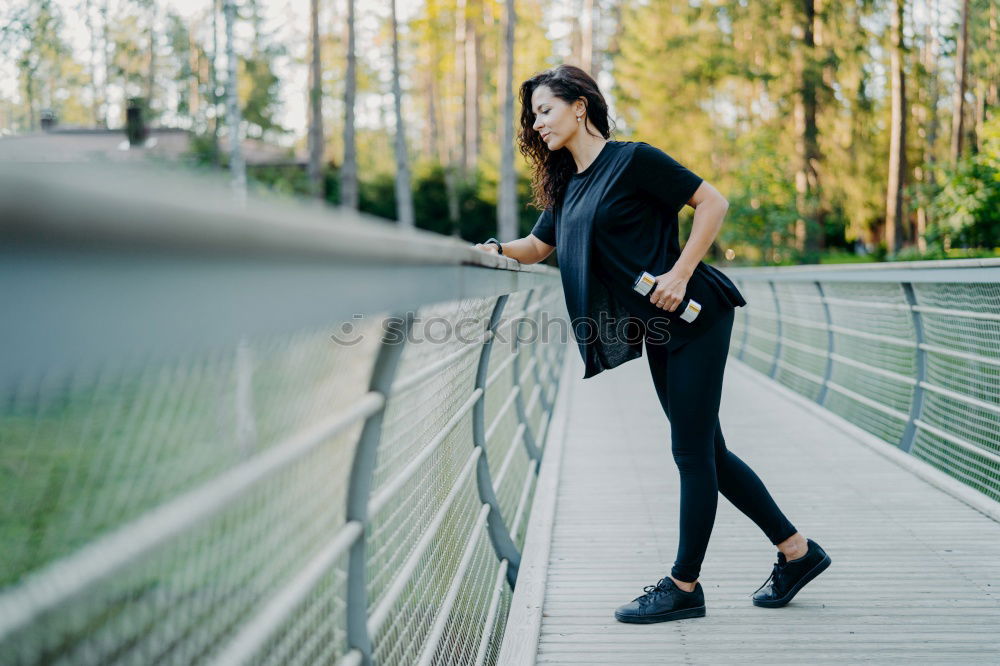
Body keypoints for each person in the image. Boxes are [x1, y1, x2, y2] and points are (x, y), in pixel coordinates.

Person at [474, 65, 831, 623]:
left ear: (580, 107)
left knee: (690, 452)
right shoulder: (569, 183)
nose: (536, 123)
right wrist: (493, 251)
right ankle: (797, 552)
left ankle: (684, 587)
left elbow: (713, 202)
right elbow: (538, 247)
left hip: (696, 314)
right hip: (660, 328)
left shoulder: (633, 160)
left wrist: (681, 273)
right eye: (532, 116)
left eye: (544, 110)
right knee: (707, 450)